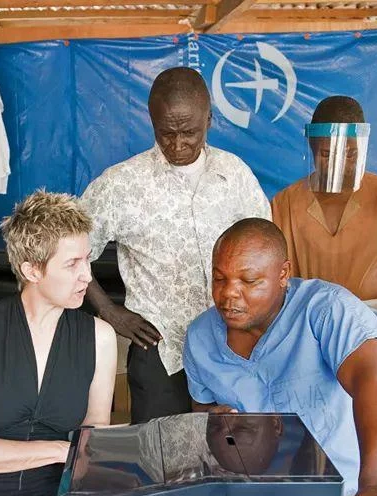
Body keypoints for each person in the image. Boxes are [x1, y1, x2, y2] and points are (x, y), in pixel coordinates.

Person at [183, 219, 377, 496]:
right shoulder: (200, 337)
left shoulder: (326, 309)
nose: (227, 295)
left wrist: (376, 480)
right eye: (219, 278)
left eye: (248, 280)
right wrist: (215, 417)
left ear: (283, 274)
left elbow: (372, 383)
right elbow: (202, 407)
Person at [81, 66, 270, 424]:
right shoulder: (120, 184)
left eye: (190, 132)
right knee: (160, 452)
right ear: (151, 122)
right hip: (159, 349)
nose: (178, 145)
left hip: (231, 345)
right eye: (167, 133)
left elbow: (266, 253)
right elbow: (69, 252)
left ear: (210, 119)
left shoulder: (236, 176)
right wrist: (108, 310)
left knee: (230, 447)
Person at [0, 191, 117, 496]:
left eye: (87, 259)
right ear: (32, 271)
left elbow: (92, 441)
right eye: (72, 264)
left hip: (55, 495)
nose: (87, 276)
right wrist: (60, 450)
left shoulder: (101, 337)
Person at [271, 96, 377, 312]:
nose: (339, 165)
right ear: (312, 148)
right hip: (307, 324)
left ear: (362, 148)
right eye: (327, 154)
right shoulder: (284, 203)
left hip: (375, 325)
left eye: (350, 154)